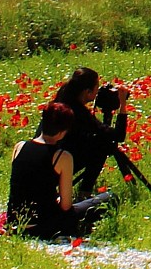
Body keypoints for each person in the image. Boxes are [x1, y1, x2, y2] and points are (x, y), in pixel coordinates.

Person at [7, 102, 119, 241]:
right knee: (110, 198)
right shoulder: (62, 156)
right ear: (62, 132)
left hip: (15, 222)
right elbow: (66, 206)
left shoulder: (19, 146)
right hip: (45, 225)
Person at [49, 68, 131, 200]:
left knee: (94, 140)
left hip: (48, 158)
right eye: (97, 88)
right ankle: (84, 192)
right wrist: (122, 104)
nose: (98, 92)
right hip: (59, 163)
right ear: (87, 92)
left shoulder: (63, 99)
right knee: (103, 144)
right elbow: (118, 136)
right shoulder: (78, 112)